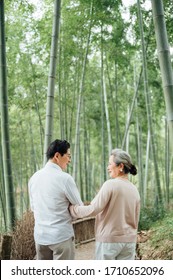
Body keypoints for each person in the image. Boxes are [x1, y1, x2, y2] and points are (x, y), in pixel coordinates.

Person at [70, 148, 140, 260]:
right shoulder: (134, 190)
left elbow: (93, 209)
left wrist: (73, 209)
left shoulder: (110, 185)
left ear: (121, 166)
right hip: (129, 242)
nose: (108, 167)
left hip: (109, 242)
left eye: (110, 164)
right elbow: (136, 219)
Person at [28, 139, 83, 260]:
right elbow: (80, 208)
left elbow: (33, 208)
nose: (69, 160)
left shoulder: (34, 178)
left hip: (40, 238)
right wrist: (69, 208)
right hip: (61, 238)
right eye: (68, 156)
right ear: (57, 156)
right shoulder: (65, 179)